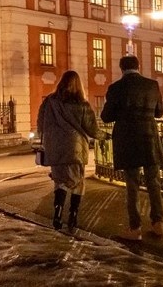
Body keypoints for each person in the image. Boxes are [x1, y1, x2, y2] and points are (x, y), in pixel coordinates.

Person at [100, 55, 163, 241]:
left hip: (128, 140)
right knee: (154, 183)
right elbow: (159, 113)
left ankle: (135, 228)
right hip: (149, 138)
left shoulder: (115, 88)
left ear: (121, 68)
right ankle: (158, 223)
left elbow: (106, 116)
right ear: (139, 66)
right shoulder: (152, 85)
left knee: (132, 186)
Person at [37, 70, 106, 231]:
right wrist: (105, 136)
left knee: (60, 181)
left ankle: (57, 214)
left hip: (55, 148)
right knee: (78, 182)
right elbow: (92, 128)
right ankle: (73, 217)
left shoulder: (49, 101)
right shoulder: (82, 104)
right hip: (76, 148)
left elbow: (40, 122)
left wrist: (47, 138)